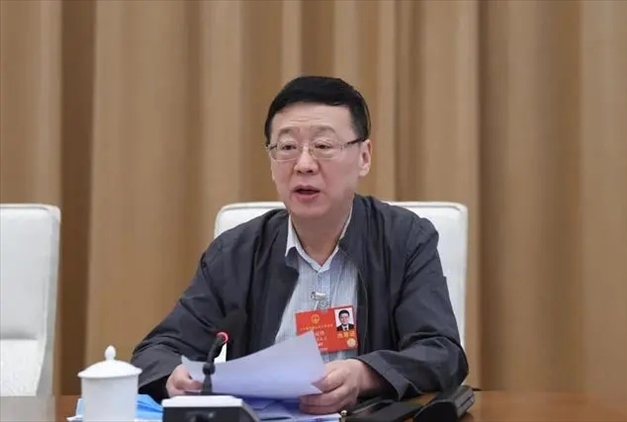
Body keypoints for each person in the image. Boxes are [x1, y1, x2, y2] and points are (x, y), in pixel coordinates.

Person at [131, 75, 468, 415]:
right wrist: (173, 377)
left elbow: (441, 352)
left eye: (323, 146)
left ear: (364, 156)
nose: (304, 165)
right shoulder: (236, 253)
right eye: (288, 148)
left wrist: (365, 374)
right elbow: (156, 352)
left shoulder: (405, 240)